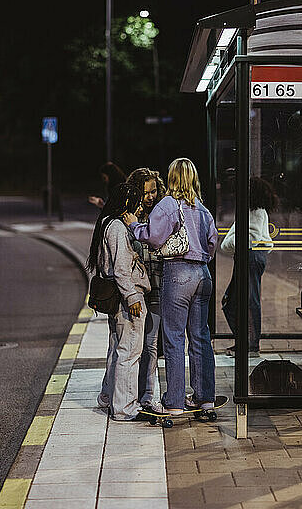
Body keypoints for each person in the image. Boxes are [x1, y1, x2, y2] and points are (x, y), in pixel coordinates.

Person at [124, 158, 218, 415]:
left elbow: (153, 237)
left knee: (174, 338)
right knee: (200, 337)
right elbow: (212, 243)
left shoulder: (168, 204)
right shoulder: (201, 208)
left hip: (178, 273)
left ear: (173, 177)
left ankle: (175, 401)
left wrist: (134, 226)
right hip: (203, 274)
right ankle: (204, 398)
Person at [86, 183, 151, 421]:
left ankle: (110, 399)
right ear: (127, 203)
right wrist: (133, 296)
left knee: (117, 351)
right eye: (136, 201)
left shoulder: (105, 223)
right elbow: (122, 269)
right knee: (130, 353)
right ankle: (125, 408)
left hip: (115, 297)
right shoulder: (117, 228)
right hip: (127, 297)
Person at [221, 176, 277, 357]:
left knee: (246, 301)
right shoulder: (257, 211)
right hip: (250, 257)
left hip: (249, 257)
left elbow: (249, 238)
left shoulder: (255, 212)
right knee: (235, 301)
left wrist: (228, 243)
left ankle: (250, 345)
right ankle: (246, 342)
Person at [125, 168, 166, 411]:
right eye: (145, 192)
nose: (150, 196)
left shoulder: (162, 213)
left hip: (159, 285)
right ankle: (122, 394)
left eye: (153, 191)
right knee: (131, 346)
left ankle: (147, 396)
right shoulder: (129, 216)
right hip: (138, 288)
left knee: (151, 345)